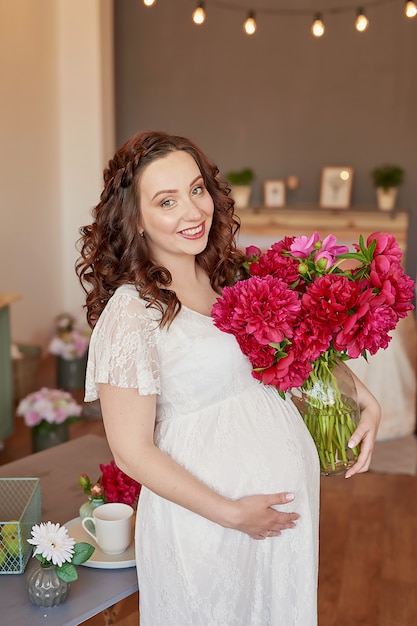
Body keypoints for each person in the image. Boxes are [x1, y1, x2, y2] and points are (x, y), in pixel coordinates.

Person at [76, 130, 381, 625]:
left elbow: (291, 353)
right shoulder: (132, 313)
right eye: (167, 201)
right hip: (209, 525)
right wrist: (231, 513)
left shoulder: (226, 276)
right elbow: (132, 451)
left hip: (281, 519)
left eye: (197, 190)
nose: (193, 212)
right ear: (135, 220)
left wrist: (361, 395)